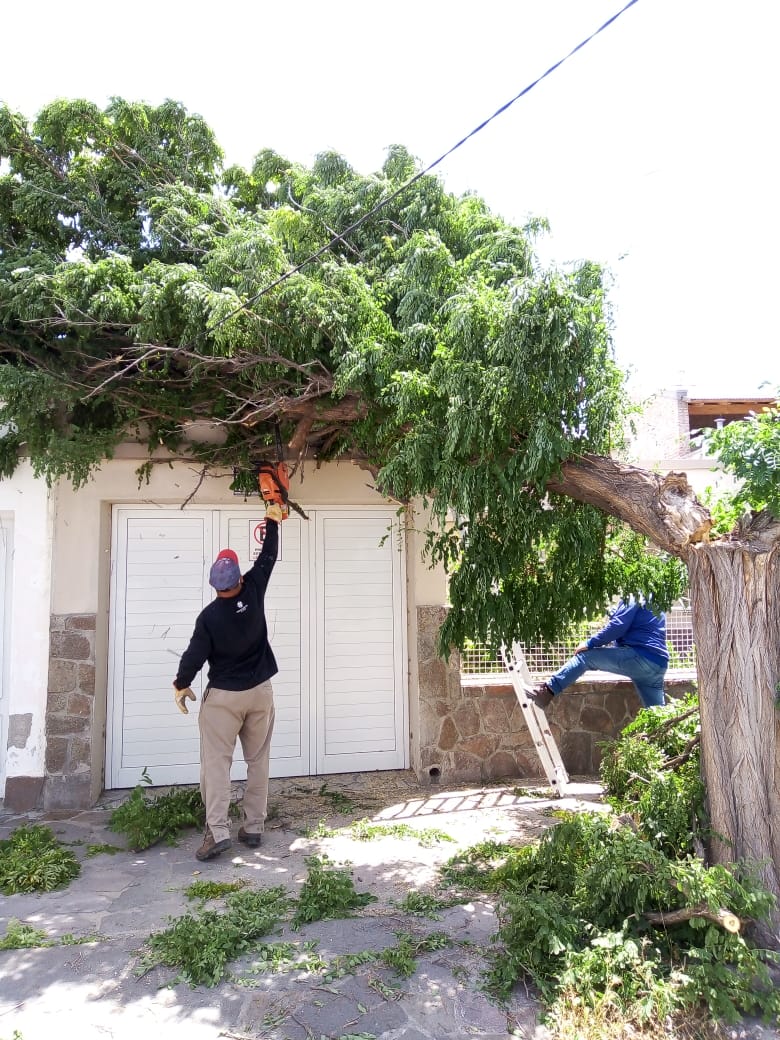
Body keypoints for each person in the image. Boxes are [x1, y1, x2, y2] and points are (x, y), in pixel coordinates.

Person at [172, 501, 283, 862]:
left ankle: (217, 832)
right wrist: (272, 518)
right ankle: (253, 827)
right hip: (260, 693)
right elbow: (268, 556)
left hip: (223, 699)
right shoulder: (253, 589)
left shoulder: (209, 618)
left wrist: (181, 684)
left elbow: (194, 655)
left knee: (217, 764)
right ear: (238, 579)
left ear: (214, 585)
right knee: (258, 760)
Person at [525, 597, 668, 712]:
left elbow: (618, 625)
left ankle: (546, 692)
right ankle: (668, 739)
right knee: (658, 716)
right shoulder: (653, 598)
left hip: (640, 657)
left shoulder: (634, 594)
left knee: (585, 657)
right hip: (659, 663)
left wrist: (590, 643)